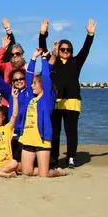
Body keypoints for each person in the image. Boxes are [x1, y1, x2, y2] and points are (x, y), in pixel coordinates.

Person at [43, 18, 96, 168]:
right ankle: (54, 157)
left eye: (68, 50)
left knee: (71, 131)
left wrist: (90, 35)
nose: (66, 52)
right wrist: (43, 33)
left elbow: (85, 49)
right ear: (58, 50)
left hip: (73, 102)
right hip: (55, 102)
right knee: (55, 131)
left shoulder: (75, 62)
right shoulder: (52, 61)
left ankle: (71, 157)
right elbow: (42, 47)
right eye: (63, 49)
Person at [18, 49, 69, 178]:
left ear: (42, 85)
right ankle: (41, 169)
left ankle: (58, 172)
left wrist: (44, 59)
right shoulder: (30, 98)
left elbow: (46, 77)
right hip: (28, 139)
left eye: (35, 83)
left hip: (42, 140)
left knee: (44, 175)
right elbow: (29, 76)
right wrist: (33, 58)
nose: (32, 86)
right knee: (27, 172)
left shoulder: (47, 99)